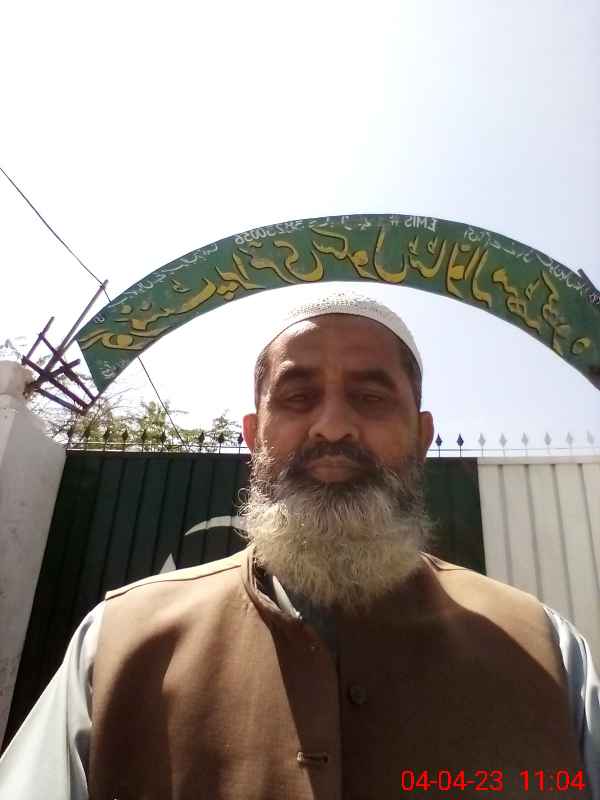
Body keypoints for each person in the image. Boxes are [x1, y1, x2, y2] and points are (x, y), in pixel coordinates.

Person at [0, 288, 598, 799]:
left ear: (421, 437)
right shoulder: (117, 644)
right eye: (296, 396)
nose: (332, 426)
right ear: (254, 435)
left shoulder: (548, 654)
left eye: (370, 398)